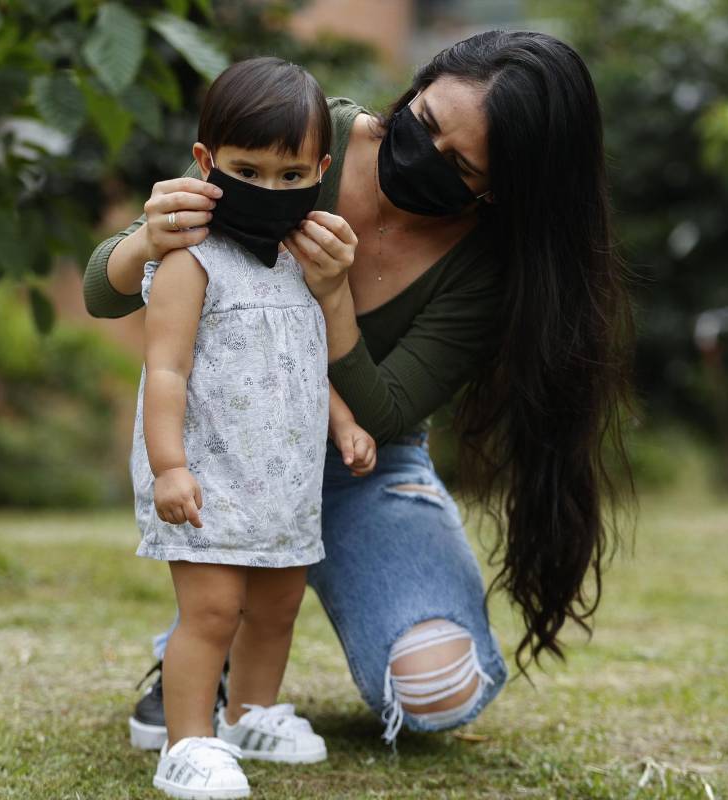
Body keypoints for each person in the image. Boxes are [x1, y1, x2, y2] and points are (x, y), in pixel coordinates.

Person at [87, 30, 634, 755]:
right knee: (219, 604)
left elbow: (384, 414)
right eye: (424, 122)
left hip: (357, 464)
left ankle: (253, 686)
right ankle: (205, 657)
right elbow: (103, 290)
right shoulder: (306, 134)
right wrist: (145, 239)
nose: (422, 154)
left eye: (458, 164)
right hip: (228, 440)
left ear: (500, 188)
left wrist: (333, 297)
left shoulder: (490, 268)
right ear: (414, 88)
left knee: (438, 689)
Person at [130, 57, 377, 799]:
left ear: (319, 171)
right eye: (247, 170)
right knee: (211, 612)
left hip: (283, 477)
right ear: (207, 162)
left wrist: (344, 422)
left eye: (290, 175)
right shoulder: (189, 260)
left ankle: (250, 713)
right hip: (207, 472)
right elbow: (165, 369)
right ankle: (187, 744)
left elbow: (302, 359)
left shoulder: (302, 259)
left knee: (276, 606)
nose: (268, 190)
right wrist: (169, 465)